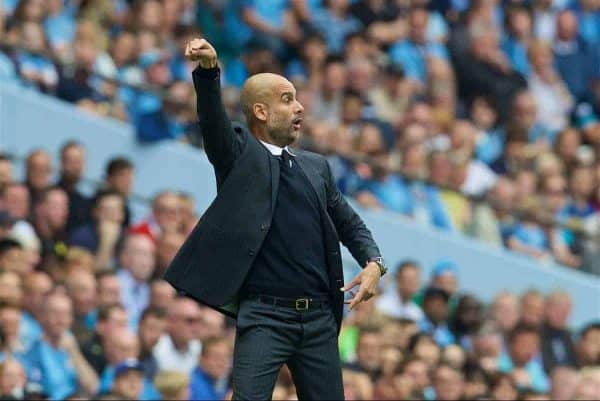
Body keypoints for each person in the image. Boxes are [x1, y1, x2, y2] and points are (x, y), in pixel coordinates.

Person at [164, 38, 385, 400]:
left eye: (297, 98)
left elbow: (350, 223)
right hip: (265, 317)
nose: (299, 107)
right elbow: (213, 123)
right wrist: (208, 73)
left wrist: (374, 263)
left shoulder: (316, 167)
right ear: (261, 112)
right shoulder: (239, 154)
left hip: (318, 319)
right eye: (287, 99)